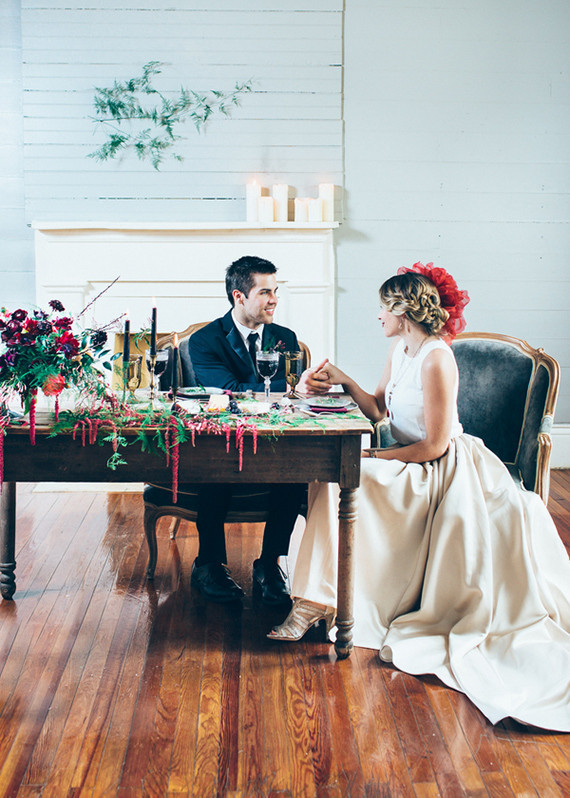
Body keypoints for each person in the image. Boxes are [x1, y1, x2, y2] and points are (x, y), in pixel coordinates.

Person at [268, 263, 570, 732]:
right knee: (330, 474)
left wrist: (376, 456)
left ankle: (317, 600)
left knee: (342, 476)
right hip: (405, 457)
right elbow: (380, 408)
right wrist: (345, 379)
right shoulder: (401, 350)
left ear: (403, 309)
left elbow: (435, 444)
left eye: (383, 308)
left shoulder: (436, 357)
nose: (378, 317)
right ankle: (317, 597)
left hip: (438, 469)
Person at [187, 255, 328, 605]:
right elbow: (230, 389)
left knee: (294, 468)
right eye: (265, 292)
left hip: (275, 437)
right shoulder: (204, 340)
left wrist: (305, 385)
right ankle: (209, 564)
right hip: (224, 441)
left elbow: (296, 393)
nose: (274, 300)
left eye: (275, 291)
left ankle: (271, 563)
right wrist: (289, 386)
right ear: (239, 296)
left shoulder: (285, 336)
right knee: (213, 465)